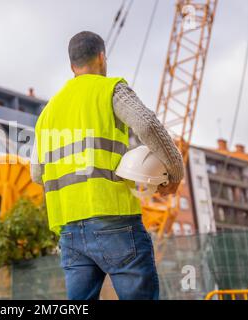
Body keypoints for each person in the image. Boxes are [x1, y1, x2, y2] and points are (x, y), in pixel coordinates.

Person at [30, 31, 184, 300]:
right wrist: (175, 170)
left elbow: (35, 174)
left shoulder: (48, 112)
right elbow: (146, 124)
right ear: (102, 57)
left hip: (69, 229)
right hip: (115, 220)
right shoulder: (110, 89)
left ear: (71, 66)